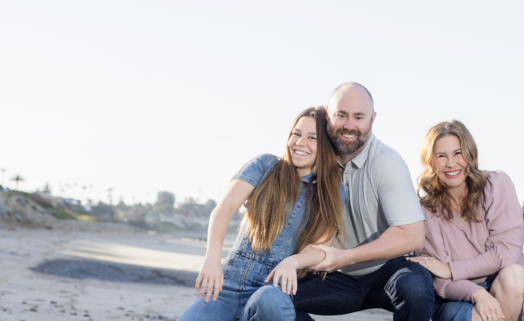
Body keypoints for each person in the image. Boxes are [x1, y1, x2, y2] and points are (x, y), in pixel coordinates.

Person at [180, 107, 344, 321]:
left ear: (326, 146)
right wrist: (212, 258)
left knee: (271, 300)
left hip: (273, 287)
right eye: (296, 133)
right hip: (227, 284)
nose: (300, 142)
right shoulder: (265, 165)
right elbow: (225, 208)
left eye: (312, 137)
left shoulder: (331, 191)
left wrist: (293, 261)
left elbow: (322, 248)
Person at [290, 83, 435, 321]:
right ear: (328, 114)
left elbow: (413, 235)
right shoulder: (312, 155)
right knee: (273, 297)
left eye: (359, 117)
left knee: (416, 287)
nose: (349, 125)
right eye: (341, 115)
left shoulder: (388, 163)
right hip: (332, 276)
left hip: (386, 272)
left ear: (372, 119)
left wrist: (347, 256)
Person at [408, 120, 524, 321]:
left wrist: (451, 269)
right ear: (430, 161)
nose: (451, 163)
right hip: (460, 296)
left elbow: (507, 253)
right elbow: (442, 283)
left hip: (511, 286)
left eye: (457, 153)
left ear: (470, 155)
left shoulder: (496, 184)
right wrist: (477, 293)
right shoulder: (425, 212)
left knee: (513, 275)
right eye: (441, 156)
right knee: (480, 316)